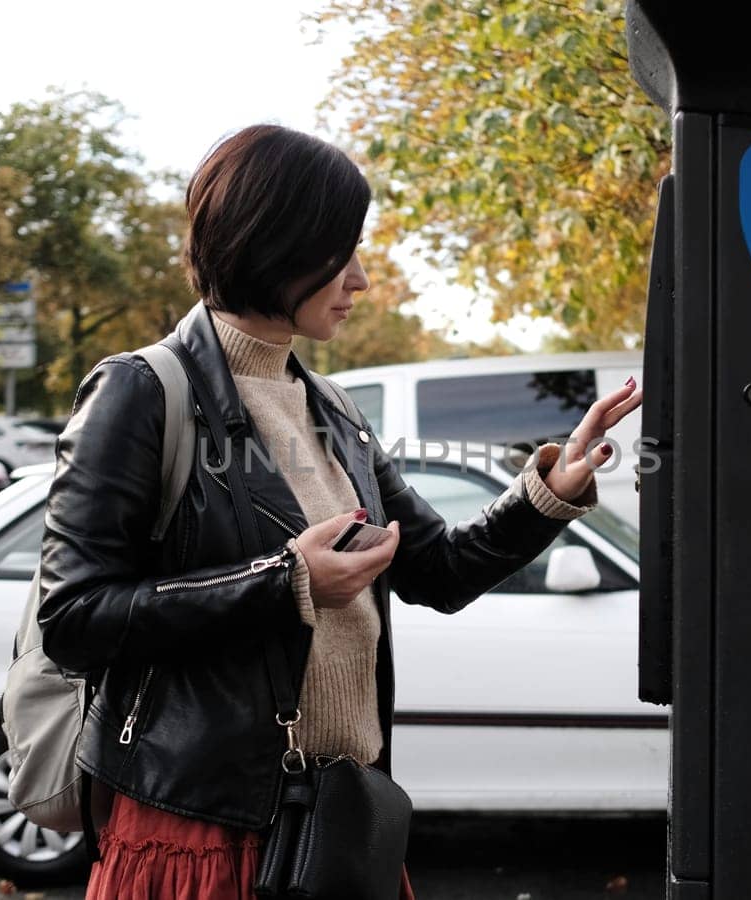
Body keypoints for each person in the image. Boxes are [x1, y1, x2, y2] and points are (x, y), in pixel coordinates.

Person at [36, 123, 644, 900]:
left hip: (336, 822)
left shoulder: (333, 408)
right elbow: (75, 617)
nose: (359, 279)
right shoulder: (141, 392)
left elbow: (439, 570)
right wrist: (283, 584)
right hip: (202, 831)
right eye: (341, 252)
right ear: (276, 244)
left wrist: (551, 488)